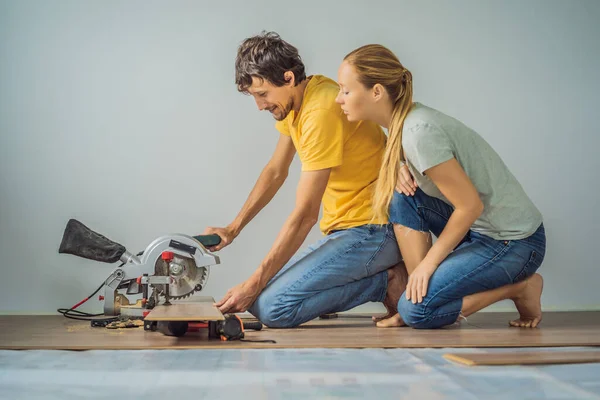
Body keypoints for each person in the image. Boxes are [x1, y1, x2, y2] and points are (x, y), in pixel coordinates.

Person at [202, 32, 407, 328]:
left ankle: (385, 281)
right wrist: (233, 229)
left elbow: (304, 216)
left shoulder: (321, 112)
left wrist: (254, 282)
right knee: (263, 302)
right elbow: (275, 170)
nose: (260, 106)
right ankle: (377, 278)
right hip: (349, 231)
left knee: (272, 308)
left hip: (374, 231)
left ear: (287, 78)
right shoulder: (300, 99)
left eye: (263, 95)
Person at [335, 44, 546, 329]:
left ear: (376, 92)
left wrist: (428, 265)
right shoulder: (403, 126)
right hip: (479, 231)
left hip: (514, 243)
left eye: (345, 90)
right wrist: (399, 165)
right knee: (403, 197)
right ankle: (420, 293)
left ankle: (520, 287)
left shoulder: (418, 133)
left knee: (416, 314)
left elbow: (470, 205)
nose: (339, 99)